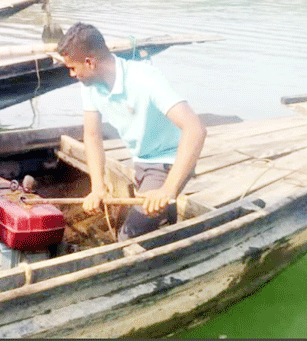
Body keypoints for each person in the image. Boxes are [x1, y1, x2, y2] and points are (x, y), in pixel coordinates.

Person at [56, 23, 207, 240]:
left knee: (127, 238)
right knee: (139, 218)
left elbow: (195, 129)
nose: (71, 74)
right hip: (141, 160)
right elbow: (92, 135)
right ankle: (166, 220)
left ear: (90, 62)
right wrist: (98, 187)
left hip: (168, 161)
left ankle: (166, 213)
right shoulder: (90, 85)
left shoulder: (145, 78)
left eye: (72, 68)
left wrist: (167, 190)